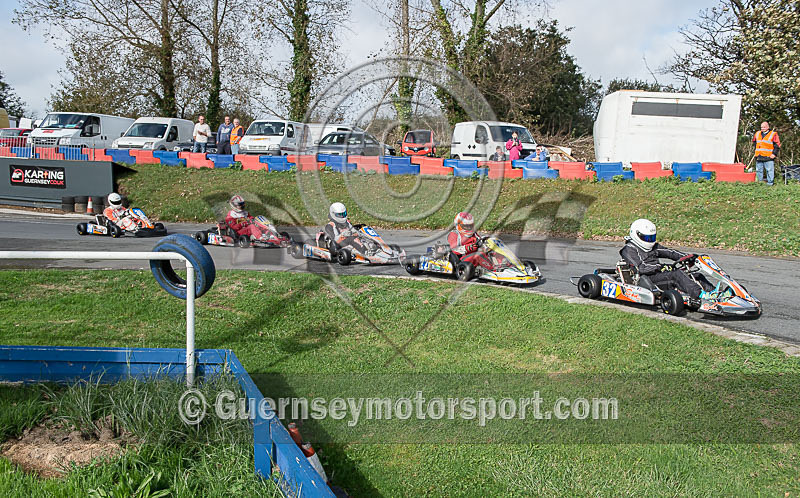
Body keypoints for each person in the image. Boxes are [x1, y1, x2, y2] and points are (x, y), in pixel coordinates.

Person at [620, 219, 730, 301]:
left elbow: (671, 253)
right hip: (646, 279)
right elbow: (641, 268)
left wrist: (688, 257)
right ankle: (702, 295)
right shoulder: (629, 250)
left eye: (652, 238)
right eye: (647, 238)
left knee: (695, 275)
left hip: (659, 274)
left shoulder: (654, 247)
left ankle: (714, 293)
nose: (650, 241)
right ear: (636, 234)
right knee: (676, 275)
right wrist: (661, 267)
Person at [752, 121, 781, 186]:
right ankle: (760, 183)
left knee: (769, 170)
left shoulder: (773, 134)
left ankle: (770, 184)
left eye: (764, 127)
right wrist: (756, 150)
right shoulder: (757, 133)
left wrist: (774, 154)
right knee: (759, 170)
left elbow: (777, 145)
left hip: (768, 156)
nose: (762, 128)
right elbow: (754, 142)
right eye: (761, 127)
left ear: (768, 127)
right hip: (759, 156)